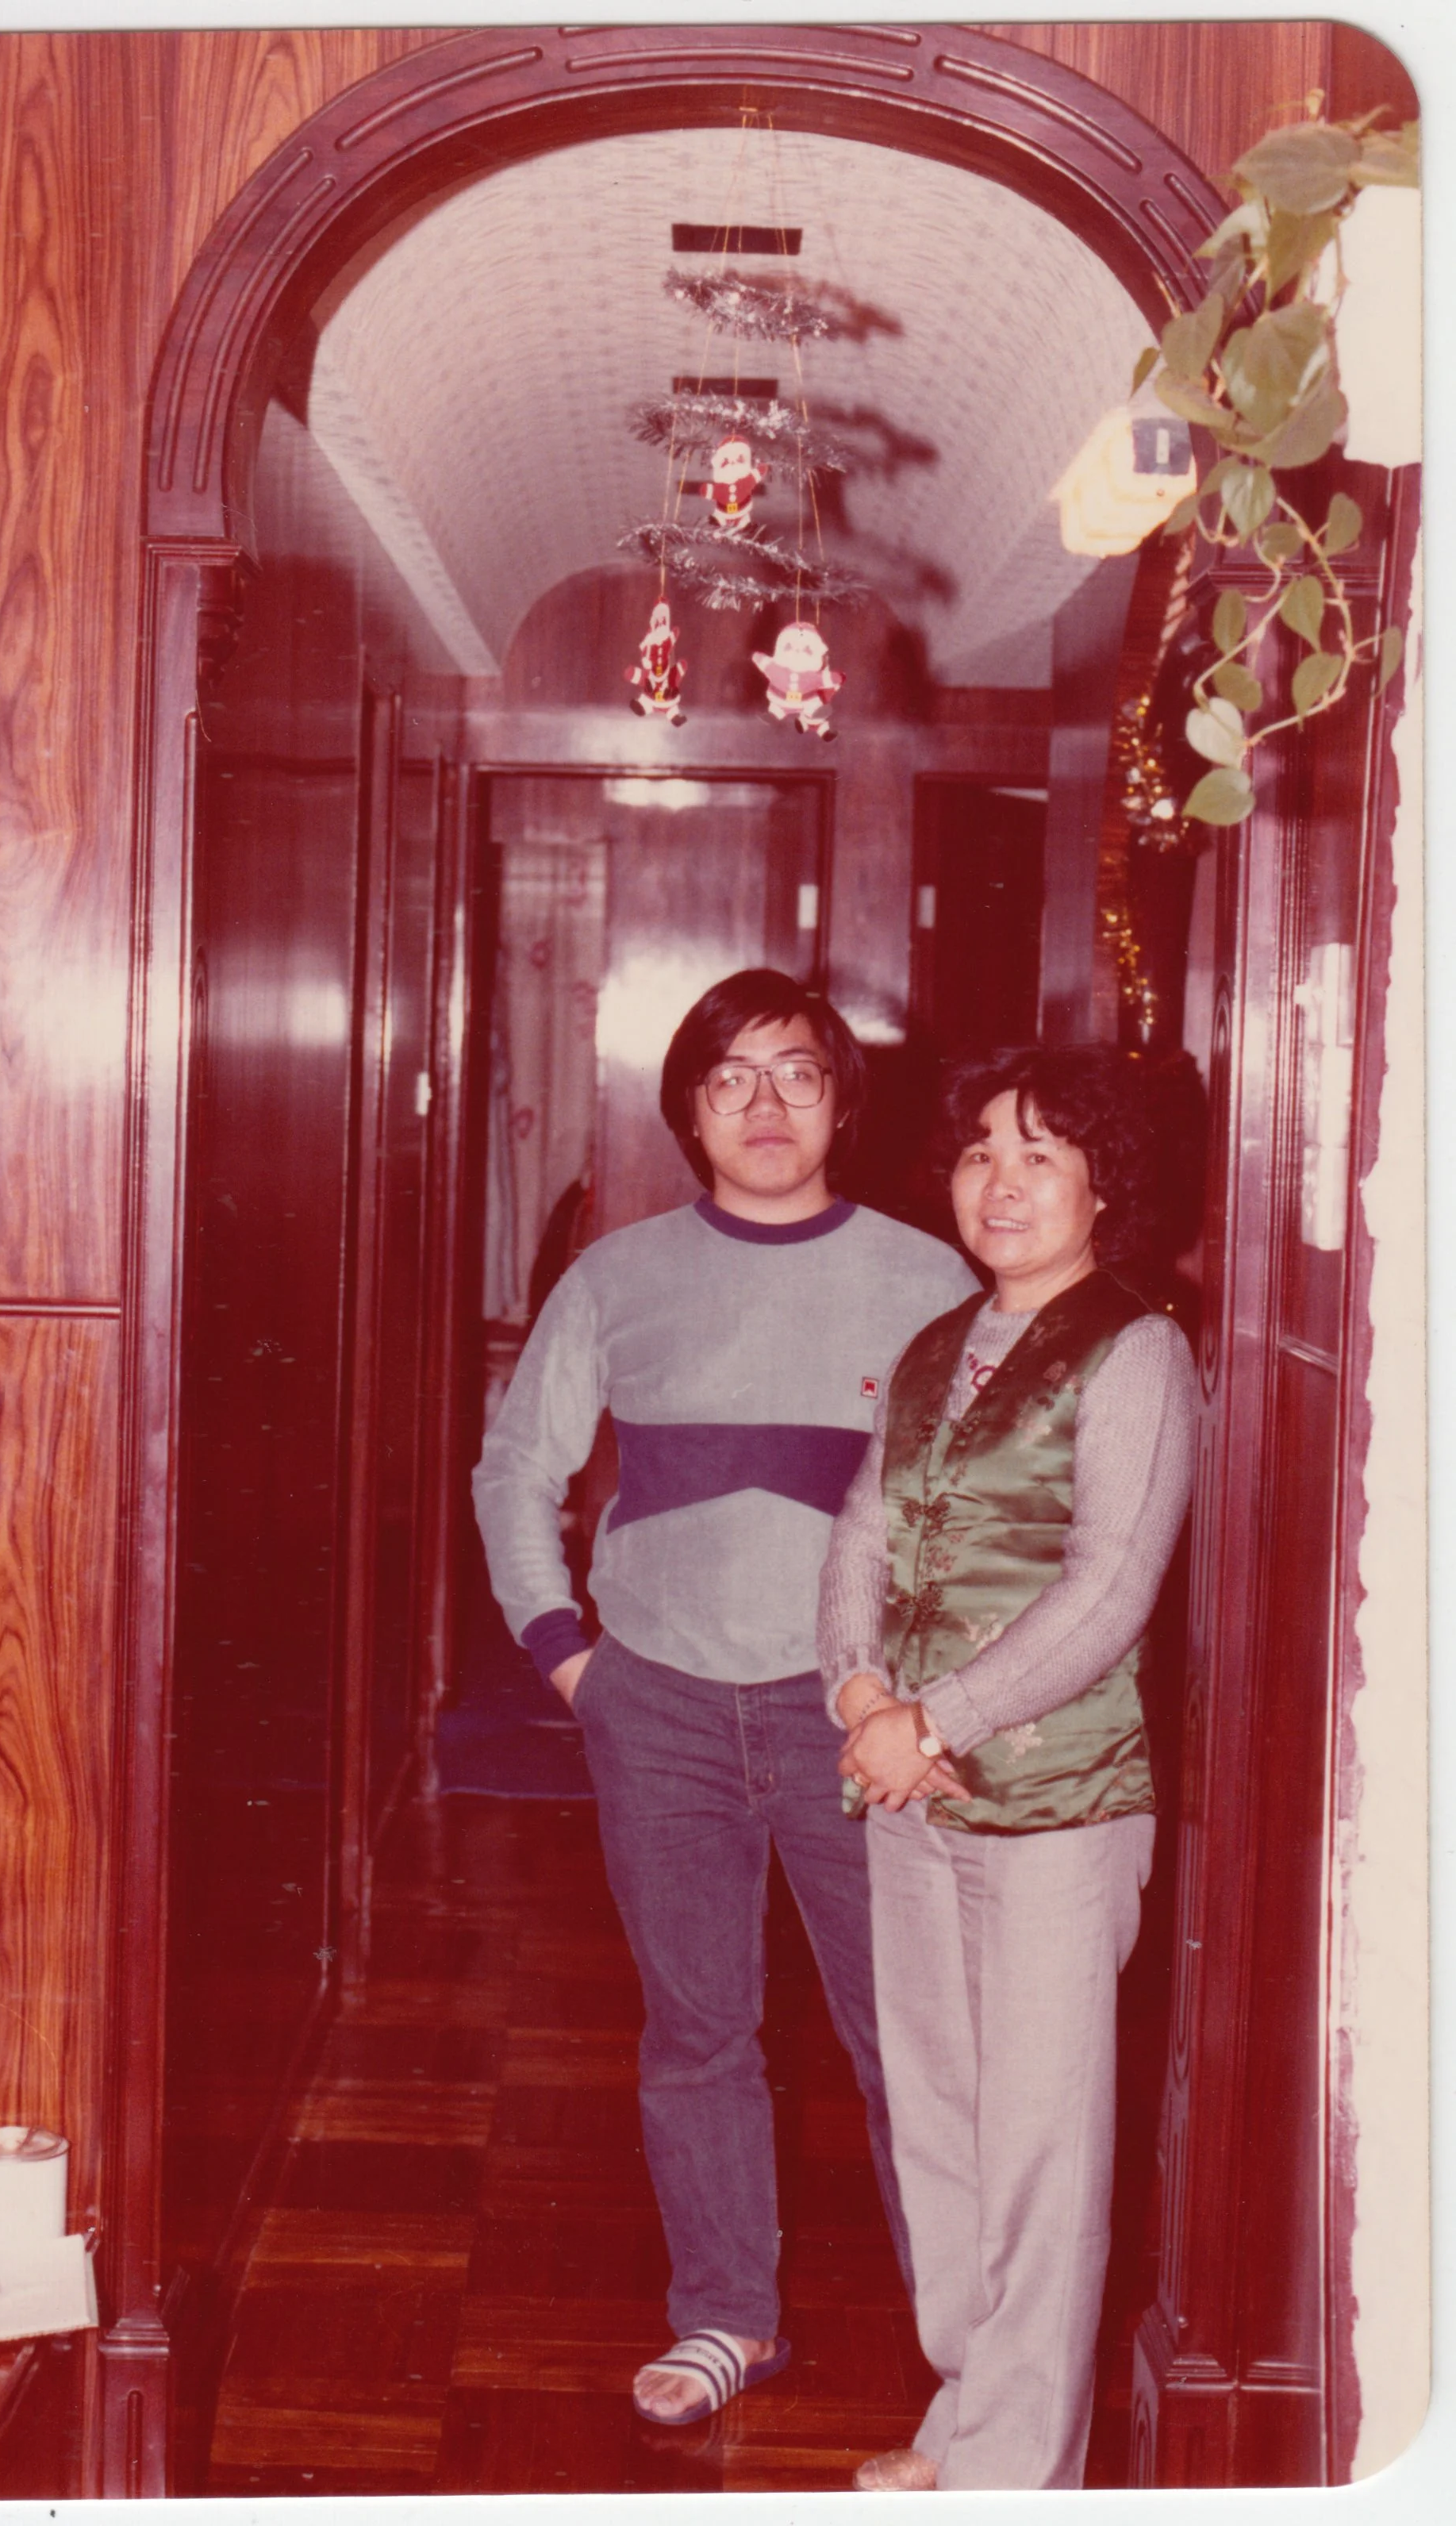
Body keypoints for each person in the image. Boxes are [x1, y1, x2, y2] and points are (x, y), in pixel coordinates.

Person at [472, 968, 975, 2426]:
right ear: (690, 1110)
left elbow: (981, 1511)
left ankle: (971, 2343)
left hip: (859, 1726)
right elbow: (519, 1468)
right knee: (699, 2030)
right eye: (732, 1078)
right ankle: (724, 2317)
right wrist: (564, 1649)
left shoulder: (928, 1276)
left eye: (799, 1074)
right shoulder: (618, 1277)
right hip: (664, 1710)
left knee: (913, 2042)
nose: (766, 1105)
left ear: (841, 1102)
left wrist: (920, 1699)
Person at [818, 1044, 1197, 2492]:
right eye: (982, 1149)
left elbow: (1109, 1593)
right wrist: (856, 1683)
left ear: (1107, 1184)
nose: (1003, 1179)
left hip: (1056, 1805)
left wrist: (935, 1717)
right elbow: (862, 1527)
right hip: (908, 1793)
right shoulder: (939, 1343)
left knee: (1042, 2154)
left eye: (1041, 1151)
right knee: (948, 2123)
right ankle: (964, 2415)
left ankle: (1018, 2477)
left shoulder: (1136, 1349)